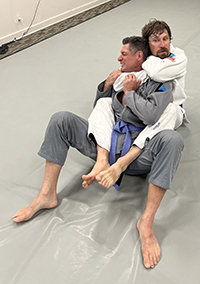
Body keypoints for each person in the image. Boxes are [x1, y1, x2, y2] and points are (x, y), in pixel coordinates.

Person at [12, 36, 184, 270]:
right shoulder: (118, 78)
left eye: (124, 54)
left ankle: (146, 222)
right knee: (61, 119)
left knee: (172, 139)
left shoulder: (159, 83)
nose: (118, 58)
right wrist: (105, 86)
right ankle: (47, 195)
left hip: (136, 155)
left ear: (139, 57)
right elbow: (99, 113)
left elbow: (151, 118)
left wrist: (131, 93)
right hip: (105, 144)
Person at [84, 19, 187, 189]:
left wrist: (142, 64)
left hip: (171, 110)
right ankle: (103, 158)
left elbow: (156, 72)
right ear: (148, 43)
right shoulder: (147, 59)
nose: (163, 44)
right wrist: (108, 83)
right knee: (104, 102)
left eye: (166, 39)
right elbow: (119, 84)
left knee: (169, 111)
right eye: (156, 40)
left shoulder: (178, 57)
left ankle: (126, 159)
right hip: (147, 104)